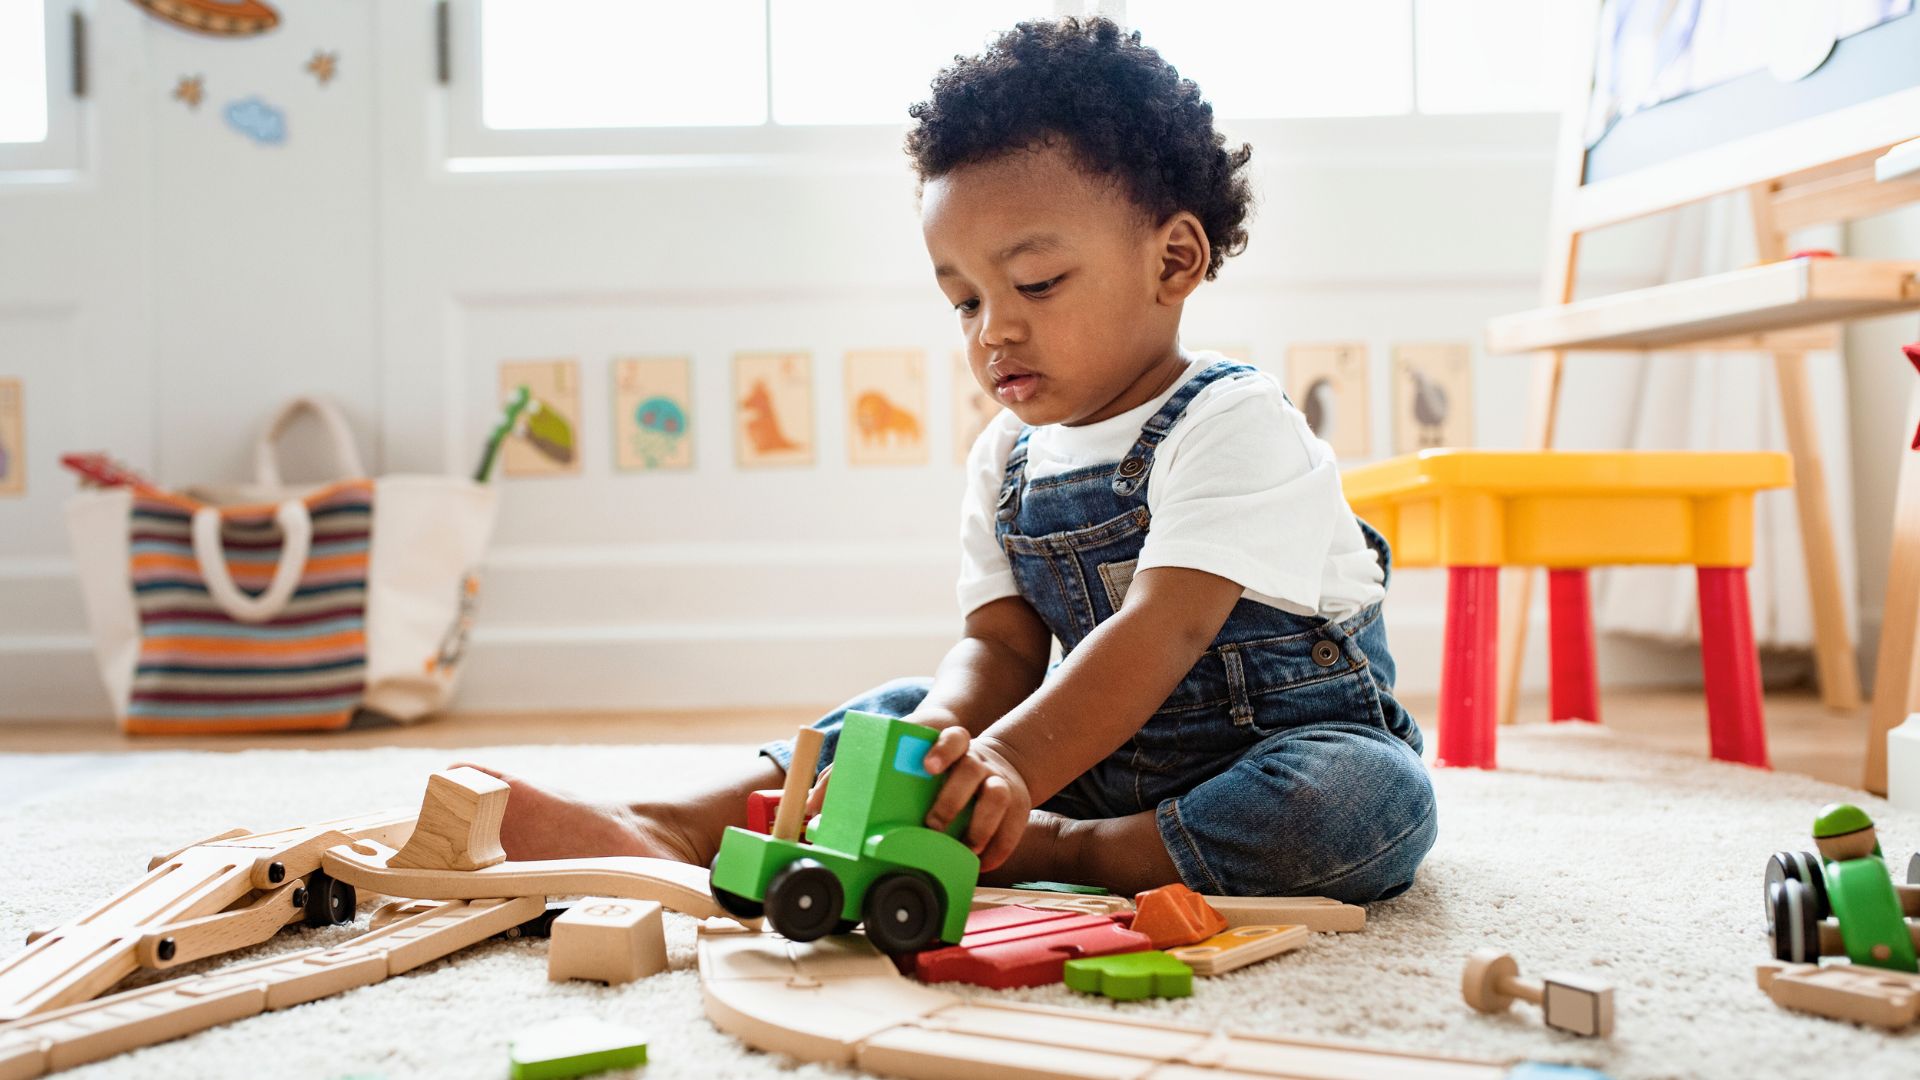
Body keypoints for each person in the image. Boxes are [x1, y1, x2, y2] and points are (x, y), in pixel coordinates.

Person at [466, 16, 1436, 903]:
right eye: (964, 301)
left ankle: (1060, 851)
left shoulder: (1234, 423)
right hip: (1083, 752)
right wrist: (940, 742)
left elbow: (1161, 634)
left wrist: (1010, 769)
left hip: (1272, 750)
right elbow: (1003, 650)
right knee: (894, 716)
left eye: (1037, 283)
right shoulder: (1007, 456)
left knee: (1360, 805)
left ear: (1173, 262)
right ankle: (671, 829)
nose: (994, 330)